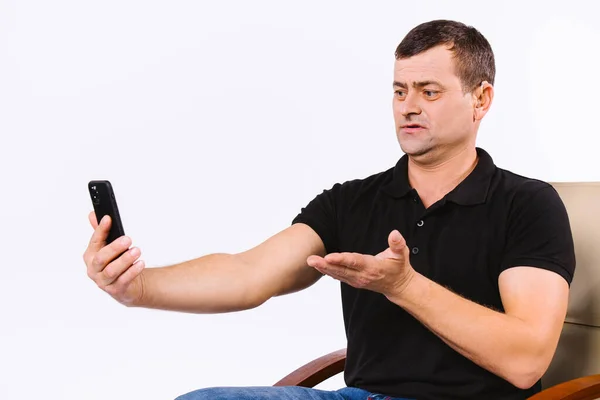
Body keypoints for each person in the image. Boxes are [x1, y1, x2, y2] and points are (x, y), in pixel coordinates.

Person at [83, 19, 576, 400]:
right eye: (400, 90)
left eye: (430, 92)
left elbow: (526, 360)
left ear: (481, 100)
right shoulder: (353, 200)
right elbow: (248, 273)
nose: (408, 106)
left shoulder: (527, 204)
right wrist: (138, 287)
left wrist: (404, 285)